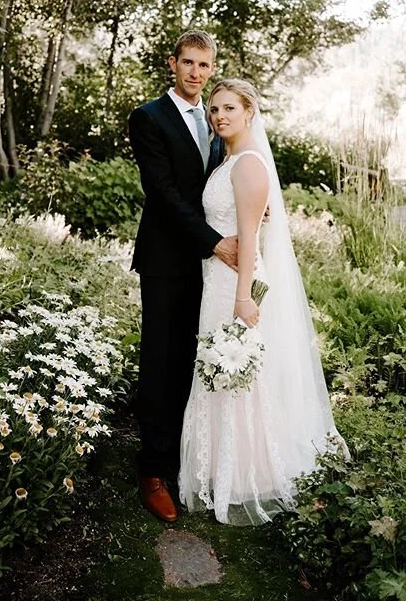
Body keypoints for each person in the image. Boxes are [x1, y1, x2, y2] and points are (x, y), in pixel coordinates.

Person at [179, 78, 348, 526]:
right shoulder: (229, 158)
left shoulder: (249, 164)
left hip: (236, 283)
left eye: (229, 108)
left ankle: (250, 473)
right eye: (214, 109)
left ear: (249, 110)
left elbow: (251, 238)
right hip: (217, 278)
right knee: (223, 370)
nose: (219, 116)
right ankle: (222, 467)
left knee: (237, 369)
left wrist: (242, 298)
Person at [128, 31, 237, 523]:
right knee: (160, 360)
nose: (196, 72)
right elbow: (164, 194)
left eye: (204, 65)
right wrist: (214, 241)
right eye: (188, 63)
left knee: (194, 361)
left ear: (212, 68)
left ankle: (183, 459)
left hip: (207, 268)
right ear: (172, 63)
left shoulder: (216, 122)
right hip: (168, 260)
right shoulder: (148, 118)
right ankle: (151, 471)